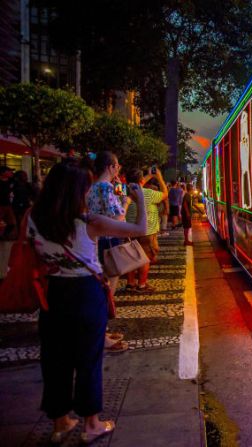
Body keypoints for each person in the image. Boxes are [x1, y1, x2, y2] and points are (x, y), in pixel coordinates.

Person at [28, 159, 147, 444]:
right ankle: (91, 424)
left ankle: (60, 423)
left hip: (52, 294)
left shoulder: (32, 218)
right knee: (88, 360)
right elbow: (140, 229)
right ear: (75, 190)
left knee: (55, 360)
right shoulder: (89, 222)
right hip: (85, 293)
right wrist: (139, 198)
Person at [86, 151, 129, 353]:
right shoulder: (106, 188)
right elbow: (119, 218)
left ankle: (101, 331)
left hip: (94, 242)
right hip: (109, 241)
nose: (118, 169)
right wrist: (126, 202)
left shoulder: (92, 188)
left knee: (102, 288)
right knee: (108, 290)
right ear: (111, 167)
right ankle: (100, 334)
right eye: (117, 166)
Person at [125, 167, 167, 293]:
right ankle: (142, 285)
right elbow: (165, 194)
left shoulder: (123, 191)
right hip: (146, 231)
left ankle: (130, 283)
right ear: (141, 180)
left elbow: (135, 183)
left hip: (128, 230)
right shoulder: (148, 193)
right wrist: (158, 177)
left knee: (130, 257)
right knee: (146, 258)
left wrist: (148, 176)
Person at [0, 166, 17, 239]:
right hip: (0, 205)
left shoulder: (12, 181)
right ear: (3, 173)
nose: (11, 173)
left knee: (12, 223)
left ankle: (4, 235)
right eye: (9, 171)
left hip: (8, 205)